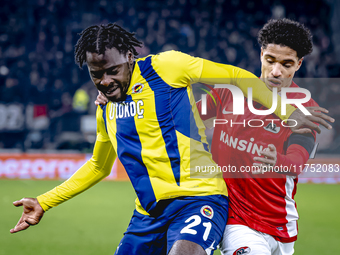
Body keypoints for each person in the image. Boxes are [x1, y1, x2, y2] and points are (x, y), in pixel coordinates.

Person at [11, 23, 332, 255]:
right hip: (172, 215)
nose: (105, 80)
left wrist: (284, 113)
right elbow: (98, 165)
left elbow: (296, 156)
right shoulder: (106, 109)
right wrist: (44, 201)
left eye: (112, 71)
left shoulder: (166, 67)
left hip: (235, 209)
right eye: (97, 75)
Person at [196, 19, 334, 255]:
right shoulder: (230, 92)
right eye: (270, 60)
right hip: (237, 220)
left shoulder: (304, 109)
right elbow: (185, 120)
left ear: (299, 64)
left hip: (282, 223)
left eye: (286, 64)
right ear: (261, 54)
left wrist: (276, 161)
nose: (276, 71)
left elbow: (296, 163)